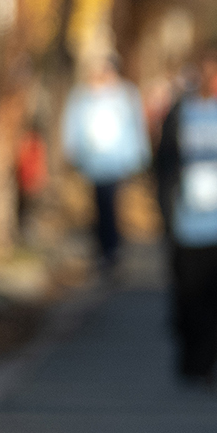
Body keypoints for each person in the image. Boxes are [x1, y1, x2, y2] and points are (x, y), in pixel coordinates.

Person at [152, 53, 217, 385]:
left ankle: (210, 363)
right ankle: (188, 357)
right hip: (186, 223)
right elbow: (163, 166)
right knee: (187, 295)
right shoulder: (179, 114)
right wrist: (165, 213)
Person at [59, 52, 148, 276]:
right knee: (99, 204)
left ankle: (112, 247)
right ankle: (105, 247)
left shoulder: (126, 94)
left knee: (112, 202)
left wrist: (137, 156)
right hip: (93, 162)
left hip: (117, 162)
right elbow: (72, 126)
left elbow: (136, 126)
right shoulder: (83, 95)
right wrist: (72, 152)